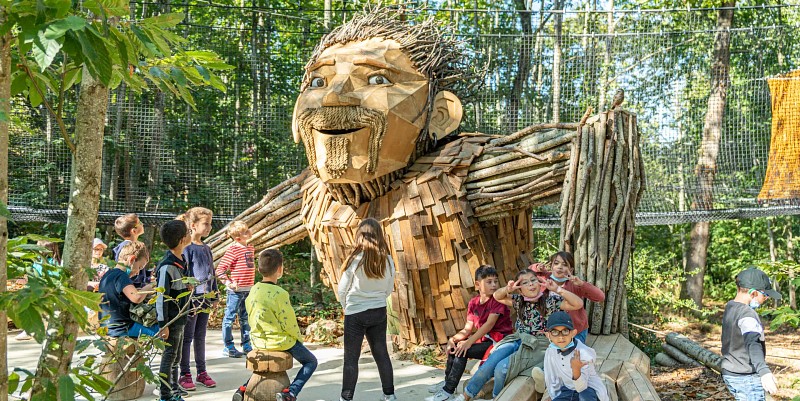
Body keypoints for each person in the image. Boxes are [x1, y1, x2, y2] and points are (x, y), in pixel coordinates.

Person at [460, 268, 584, 400]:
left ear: (539, 283)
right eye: (525, 283)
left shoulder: (550, 301)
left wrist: (557, 289)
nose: (530, 284)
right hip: (517, 339)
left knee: (501, 369)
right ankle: (465, 396)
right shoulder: (518, 300)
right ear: (519, 289)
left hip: (537, 344)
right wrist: (508, 288)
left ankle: (496, 397)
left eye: (533, 280)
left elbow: (578, 304)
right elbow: (497, 296)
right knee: (490, 363)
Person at [232, 249, 318, 401]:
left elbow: (250, 316)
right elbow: (289, 324)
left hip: (258, 341)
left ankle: (244, 388)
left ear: (259, 269)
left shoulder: (253, 290)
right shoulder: (280, 294)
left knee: (262, 368)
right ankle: (291, 393)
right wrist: (299, 339)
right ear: (280, 269)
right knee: (311, 362)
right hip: (280, 342)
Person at [426, 265, 513, 401]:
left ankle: (447, 392)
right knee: (455, 347)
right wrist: (453, 339)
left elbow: (488, 325)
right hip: (484, 339)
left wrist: (468, 342)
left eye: (496, 281)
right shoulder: (473, 303)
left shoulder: (498, 301)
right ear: (478, 284)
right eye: (489, 282)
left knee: (463, 351)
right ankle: (448, 383)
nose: (494, 285)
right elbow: (468, 328)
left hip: (499, 341)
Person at [337, 219, 397, 401]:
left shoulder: (355, 259)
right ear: (379, 236)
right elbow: (389, 288)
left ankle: (346, 397)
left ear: (359, 236)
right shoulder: (387, 260)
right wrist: (377, 298)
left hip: (355, 312)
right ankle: (389, 395)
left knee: (351, 359)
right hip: (378, 310)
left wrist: (346, 306)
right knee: (381, 354)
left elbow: (342, 289)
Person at [721, 267, 781, 401]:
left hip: (730, 372)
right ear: (753, 293)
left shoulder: (731, 306)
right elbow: (752, 343)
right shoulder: (747, 314)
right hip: (745, 377)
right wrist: (764, 372)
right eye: (765, 295)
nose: (766, 298)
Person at [177, 207, 218, 391]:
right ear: (193, 225)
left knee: (200, 336)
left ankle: (202, 372)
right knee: (187, 337)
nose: (209, 227)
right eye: (206, 224)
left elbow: (212, 272)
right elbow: (184, 275)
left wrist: (215, 294)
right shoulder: (187, 249)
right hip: (192, 300)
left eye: (210, 223)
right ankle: (184, 373)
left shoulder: (206, 247)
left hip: (206, 298)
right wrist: (189, 299)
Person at [155, 220, 192, 401]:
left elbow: (179, 287)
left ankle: (175, 390)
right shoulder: (167, 266)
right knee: (169, 357)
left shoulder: (181, 261)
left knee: (176, 357)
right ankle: (165, 395)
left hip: (181, 317)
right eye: (188, 231)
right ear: (182, 239)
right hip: (171, 320)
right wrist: (163, 324)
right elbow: (161, 297)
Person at [543, 311, 609, 401]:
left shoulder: (584, 353)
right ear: (548, 335)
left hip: (588, 390)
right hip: (567, 390)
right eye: (555, 332)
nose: (560, 337)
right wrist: (554, 396)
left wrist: (576, 370)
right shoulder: (550, 352)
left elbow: (582, 388)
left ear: (573, 333)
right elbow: (551, 378)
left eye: (565, 331)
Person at [98, 241, 158, 337]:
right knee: (162, 332)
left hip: (107, 326)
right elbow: (136, 298)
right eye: (139, 267)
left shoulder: (109, 275)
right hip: (122, 328)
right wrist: (149, 287)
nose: (138, 272)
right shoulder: (122, 276)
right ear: (132, 259)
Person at [215, 220, 255, 358]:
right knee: (230, 317)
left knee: (245, 318)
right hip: (235, 291)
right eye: (246, 232)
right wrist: (228, 282)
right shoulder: (233, 249)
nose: (249, 232)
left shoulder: (250, 248)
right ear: (238, 238)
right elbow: (220, 270)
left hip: (248, 290)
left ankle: (246, 344)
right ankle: (228, 345)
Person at [547, 252, 605, 344]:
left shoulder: (574, 285)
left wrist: (581, 284)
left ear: (571, 269)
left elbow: (600, 297)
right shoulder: (545, 283)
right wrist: (536, 267)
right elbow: (529, 273)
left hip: (575, 330)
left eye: (564, 264)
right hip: (551, 330)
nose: (560, 267)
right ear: (551, 267)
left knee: (571, 353)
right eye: (556, 263)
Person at [113, 213, 148, 288]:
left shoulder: (134, 246)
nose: (142, 224)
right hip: (131, 288)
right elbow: (129, 271)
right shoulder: (128, 248)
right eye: (140, 223)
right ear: (134, 231)